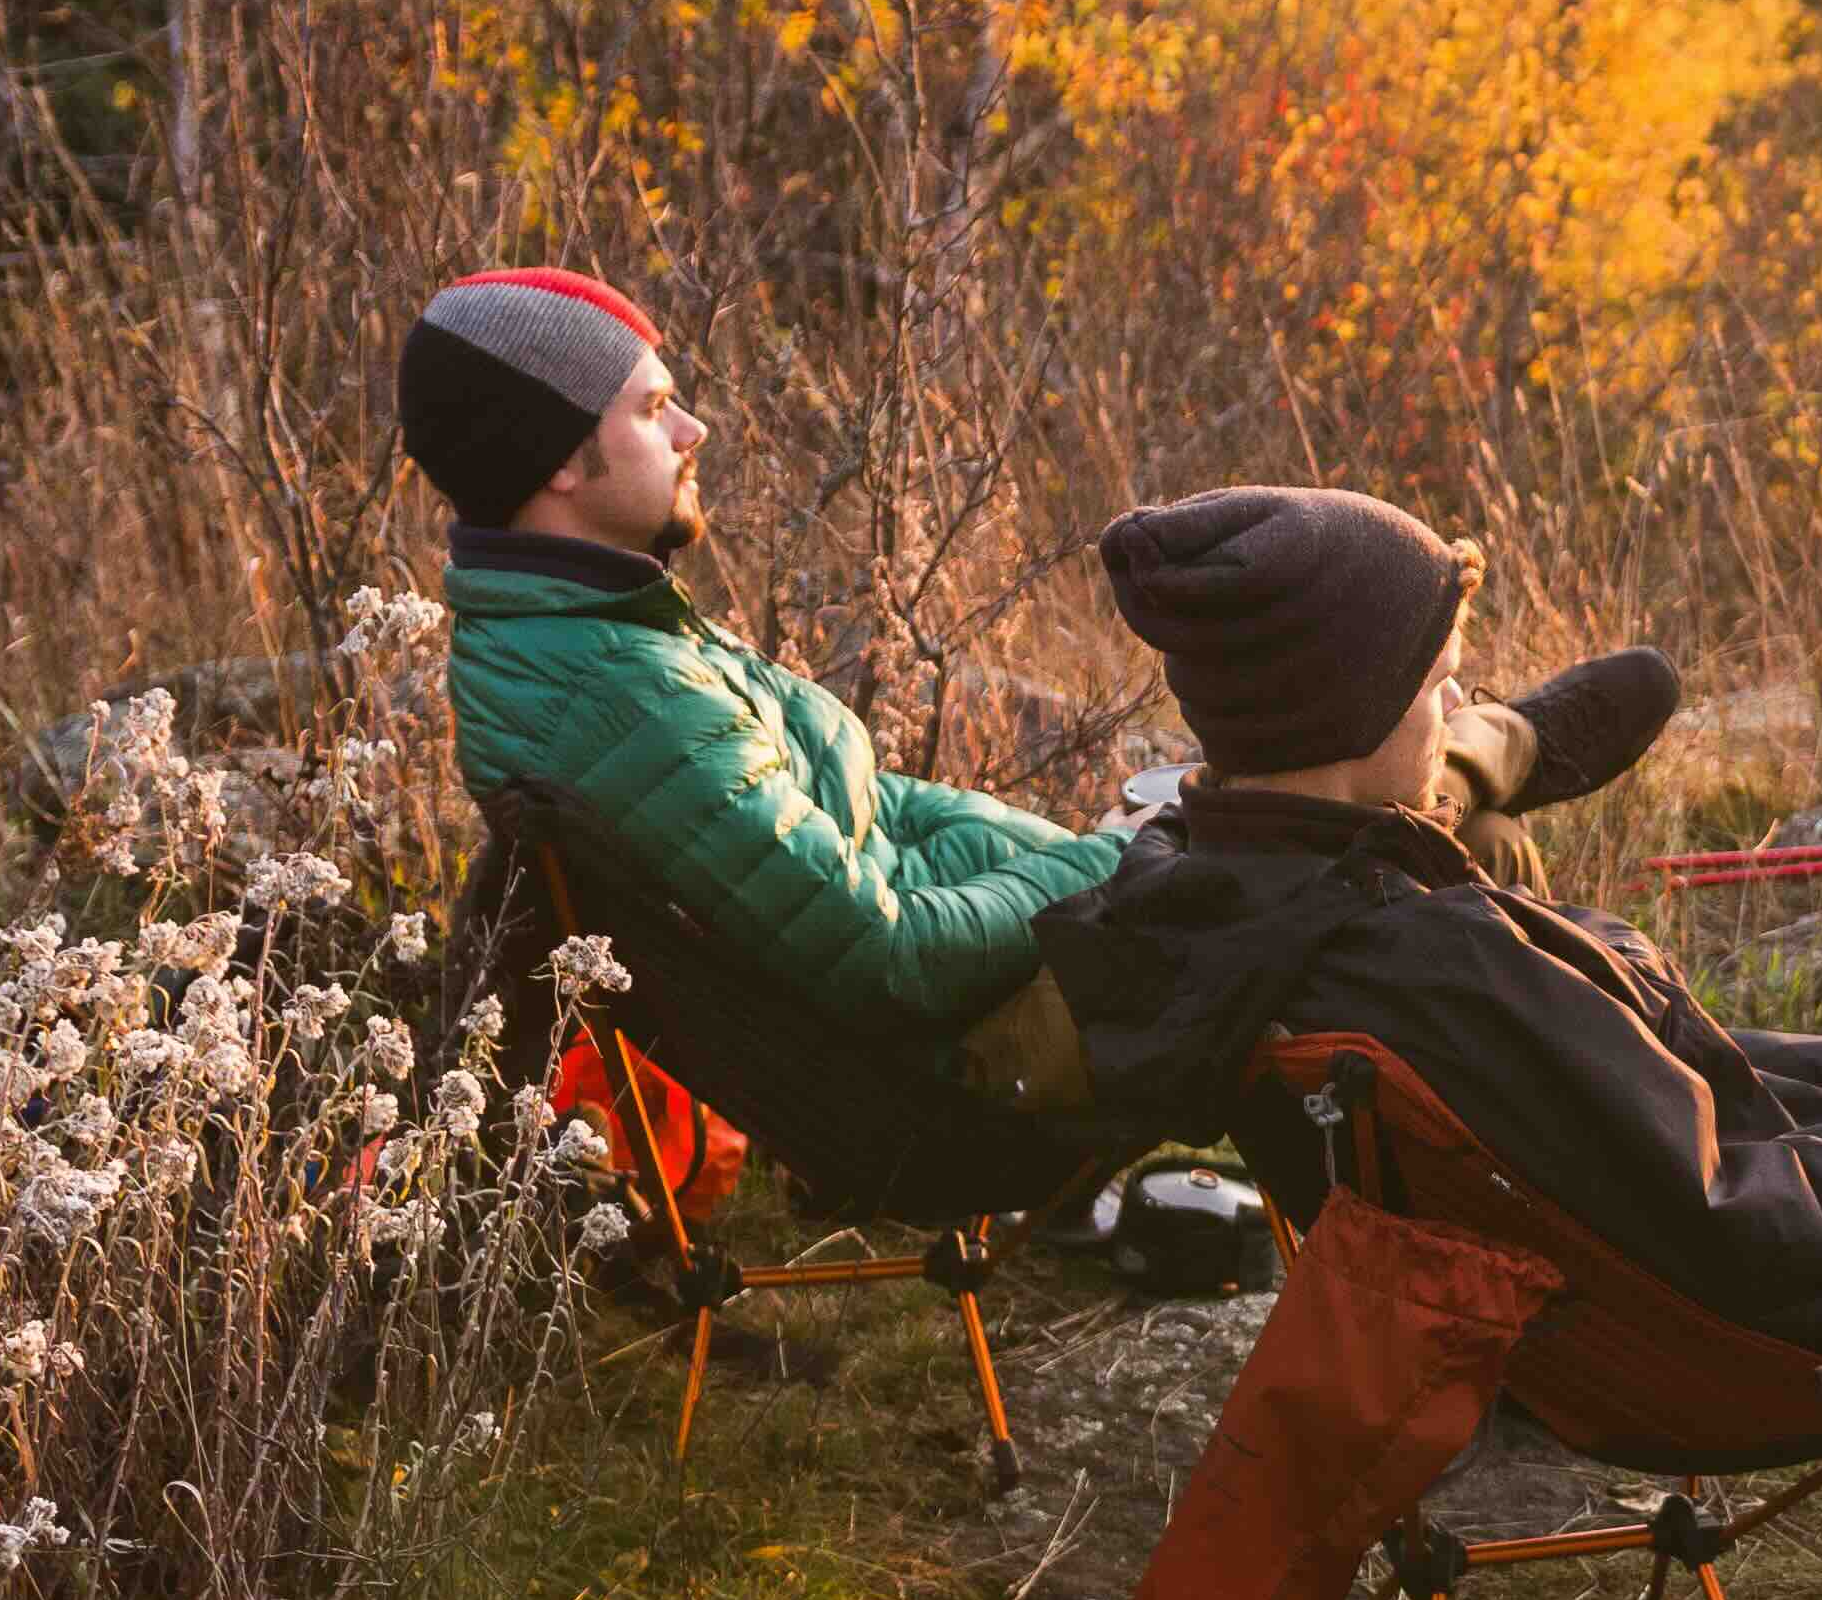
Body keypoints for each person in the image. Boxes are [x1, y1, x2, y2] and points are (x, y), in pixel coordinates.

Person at [1034, 485, 1822, 1415]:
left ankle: (1519, 756)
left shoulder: (1230, 902)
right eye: (1445, 690)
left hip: (1696, 1274)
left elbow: (1641, 1096)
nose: (1446, 706)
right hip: (1800, 1323)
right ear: (1349, 717)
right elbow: (1739, 1218)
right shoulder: (1438, 962)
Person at [400, 271, 1678, 1048]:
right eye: (649, 407)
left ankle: (1479, 758)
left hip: (1003, 979)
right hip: (967, 1060)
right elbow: (887, 951)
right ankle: (1476, 750)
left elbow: (879, 810)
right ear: (560, 464)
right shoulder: (617, 692)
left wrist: (1068, 849)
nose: (695, 426)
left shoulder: (599, 631)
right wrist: (1099, 864)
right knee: (1376, 858)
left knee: (1456, 858)